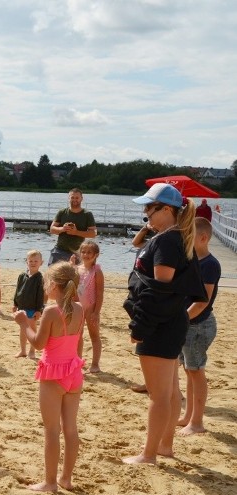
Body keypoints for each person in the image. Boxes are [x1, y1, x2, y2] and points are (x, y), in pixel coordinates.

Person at [122, 183, 205, 465]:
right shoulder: (173, 237)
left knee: (159, 396)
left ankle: (148, 454)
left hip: (160, 326)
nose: (145, 214)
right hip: (169, 324)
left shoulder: (168, 241)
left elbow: (160, 291)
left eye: (149, 208)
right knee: (168, 393)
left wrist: (140, 327)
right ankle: (165, 447)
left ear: (166, 209)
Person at [13, 261, 84, 492]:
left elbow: (39, 343)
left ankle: (50, 482)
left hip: (54, 373)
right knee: (71, 429)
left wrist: (25, 324)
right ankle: (66, 478)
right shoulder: (79, 308)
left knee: (52, 430)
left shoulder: (53, 311)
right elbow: (78, 341)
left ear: (53, 285)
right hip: (73, 372)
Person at [177, 218, 220, 435]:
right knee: (189, 370)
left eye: (189, 235)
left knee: (196, 371)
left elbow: (203, 301)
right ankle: (188, 416)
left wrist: (182, 318)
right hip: (188, 323)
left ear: (202, 238)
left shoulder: (210, 264)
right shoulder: (192, 259)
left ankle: (197, 422)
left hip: (198, 325)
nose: (185, 239)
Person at [48, 188, 97, 265]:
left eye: (77, 198)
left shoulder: (87, 214)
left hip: (77, 252)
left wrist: (76, 232)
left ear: (81, 199)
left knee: (75, 276)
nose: (74, 200)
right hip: (59, 250)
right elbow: (52, 229)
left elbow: (93, 233)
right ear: (69, 198)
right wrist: (63, 229)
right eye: (72, 197)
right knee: (52, 275)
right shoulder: (62, 212)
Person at [77, 240, 104, 373]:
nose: (86, 254)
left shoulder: (96, 271)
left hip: (91, 307)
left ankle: (95, 364)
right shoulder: (77, 269)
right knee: (78, 335)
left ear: (96, 255)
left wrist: (96, 311)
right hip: (78, 307)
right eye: (83, 252)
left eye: (89, 252)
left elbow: (99, 292)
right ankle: (78, 361)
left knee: (94, 335)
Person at [13, 250, 45, 359]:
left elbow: (41, 296)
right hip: (22, 307)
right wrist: (15, 303)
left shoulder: (40, 278)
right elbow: (17, 290)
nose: (33, 263)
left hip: (33, 308)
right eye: (30, 261)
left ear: (41, 262)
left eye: (36, 261)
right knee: (22, 329)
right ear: (27, 262)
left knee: (31, 329)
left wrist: (39, 310)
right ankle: (23, 350)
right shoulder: (22, 276)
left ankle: (32, 351)